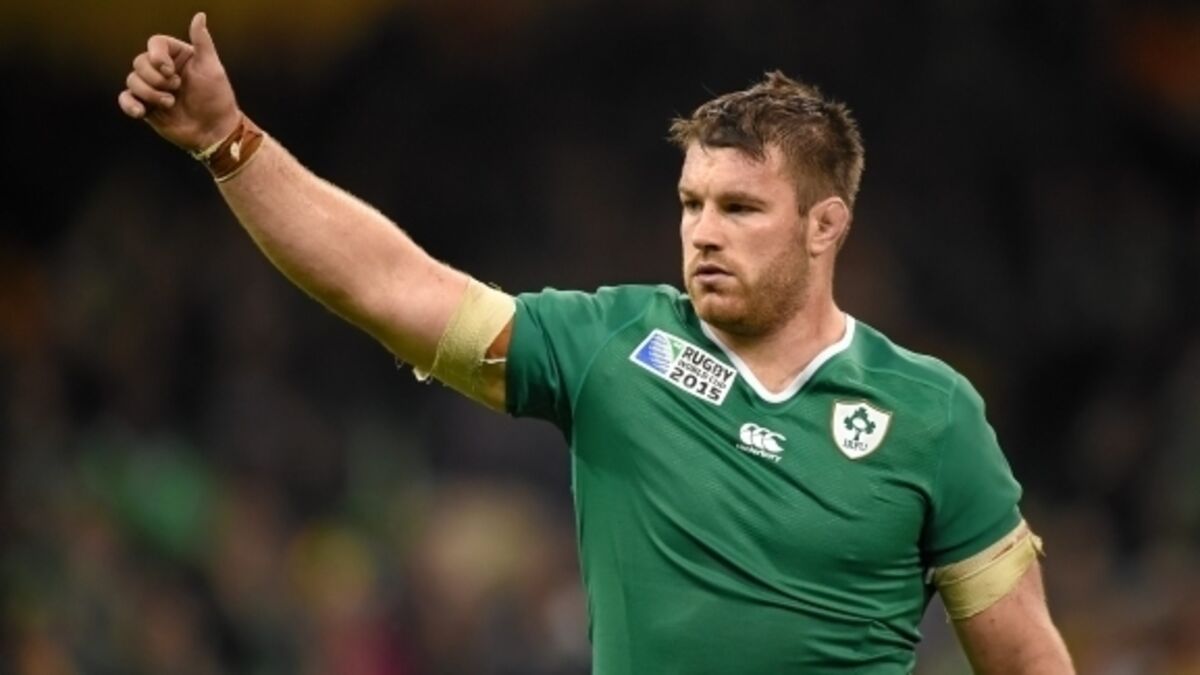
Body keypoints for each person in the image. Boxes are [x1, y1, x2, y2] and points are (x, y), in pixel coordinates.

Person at [118, 13, 1074, 674]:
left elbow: (1027, 658)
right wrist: (227, 140)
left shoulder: (932, 412)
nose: (703, 232)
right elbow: (389, 285)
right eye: (692, 203)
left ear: (825, 226)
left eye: (741, 208)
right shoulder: (614, 343)